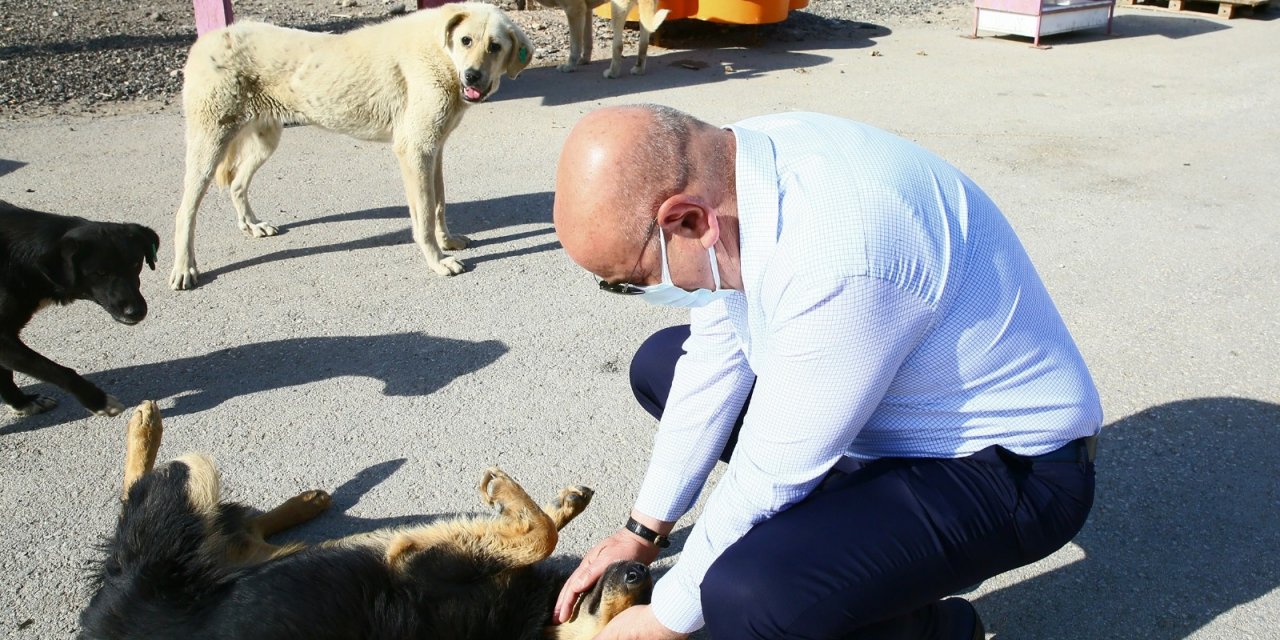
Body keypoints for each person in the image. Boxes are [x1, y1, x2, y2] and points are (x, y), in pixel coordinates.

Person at [550, 104, 1102, 640]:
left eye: (630, 278)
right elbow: (719, 355)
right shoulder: (734, 164)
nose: (642, 290)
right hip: (889, 413)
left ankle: (933, 631)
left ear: (689, 219)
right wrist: (643, 531)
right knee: (661, 367)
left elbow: (769, 476)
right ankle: (848, 560)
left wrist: (661, 621)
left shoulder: (842, 254)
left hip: (1009, 468)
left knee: (745, 598)